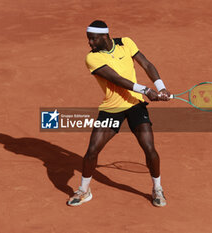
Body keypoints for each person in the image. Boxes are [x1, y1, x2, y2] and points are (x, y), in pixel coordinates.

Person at [67, 20, 170, 207]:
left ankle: (157, 189)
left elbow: (146, 64)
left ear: (105, 36)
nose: (89, 43)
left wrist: (161, 87)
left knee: (149, 149)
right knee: (92, 151)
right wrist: (147, 91)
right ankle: (84, 190)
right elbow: (117, 79)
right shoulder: (92, 58)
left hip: (135, 106)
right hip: (111, 109)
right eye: (88, 39)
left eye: (93, 39)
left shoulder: (126, 43)